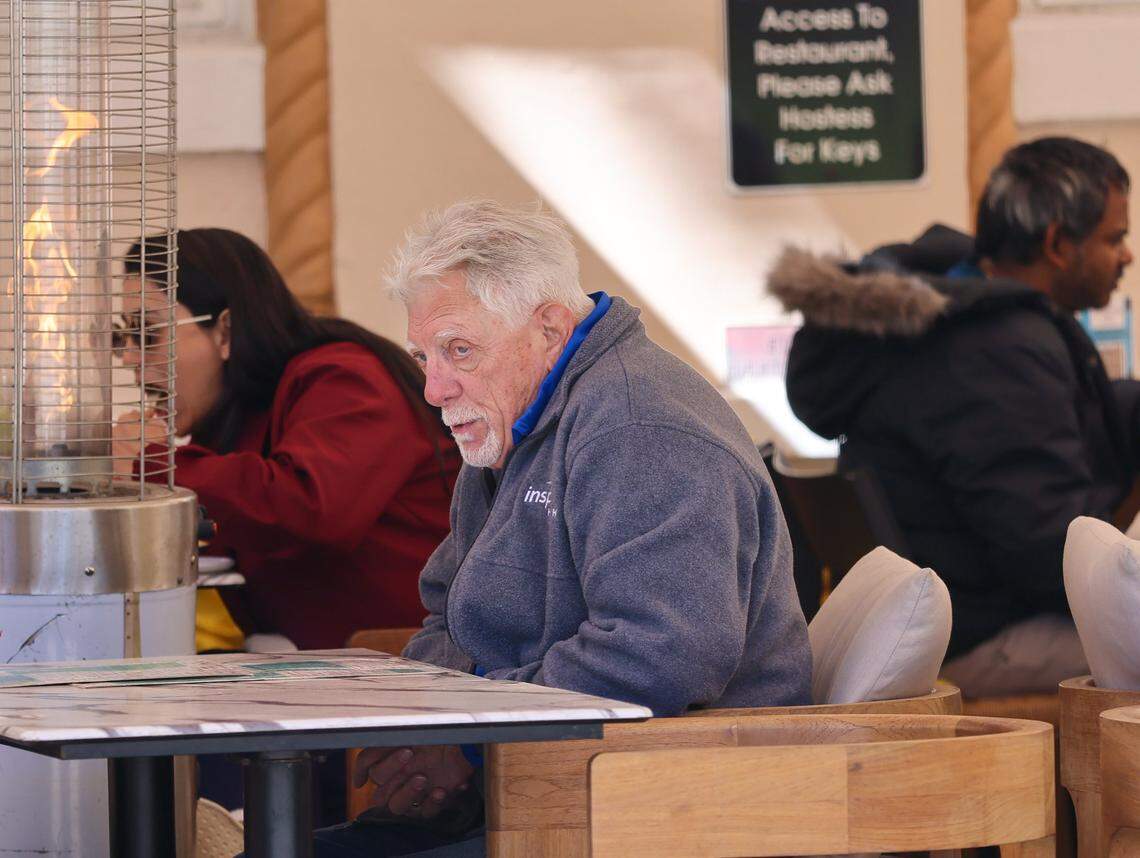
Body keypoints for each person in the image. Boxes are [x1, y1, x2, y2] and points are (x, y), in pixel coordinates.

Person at [311, 200, 812, 858]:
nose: (433, 388)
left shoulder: (639, 427)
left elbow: (658, 655)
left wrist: (465, 742)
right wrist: (425, 736)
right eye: (424, 356)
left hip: (666, 811)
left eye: (459, 350)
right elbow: (448, 615)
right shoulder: (514, 421)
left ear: (549, 328)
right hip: (544, 790)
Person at [775, 137, 1140, 697]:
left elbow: (1035, 432)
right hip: (985, 639)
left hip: (967, 611)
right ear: (1058, 244)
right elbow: (1054, 560)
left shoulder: (961, 310)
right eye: (1115, 238)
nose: (1127, 255)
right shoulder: (999, 347)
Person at [114, 228, 461, 651]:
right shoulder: (236, 417)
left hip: (423, 667)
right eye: (122, 337)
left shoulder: (345, 377)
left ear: (225, 332)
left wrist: (153, 463)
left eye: (147, 334)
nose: (130, 358)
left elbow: (310, 509)